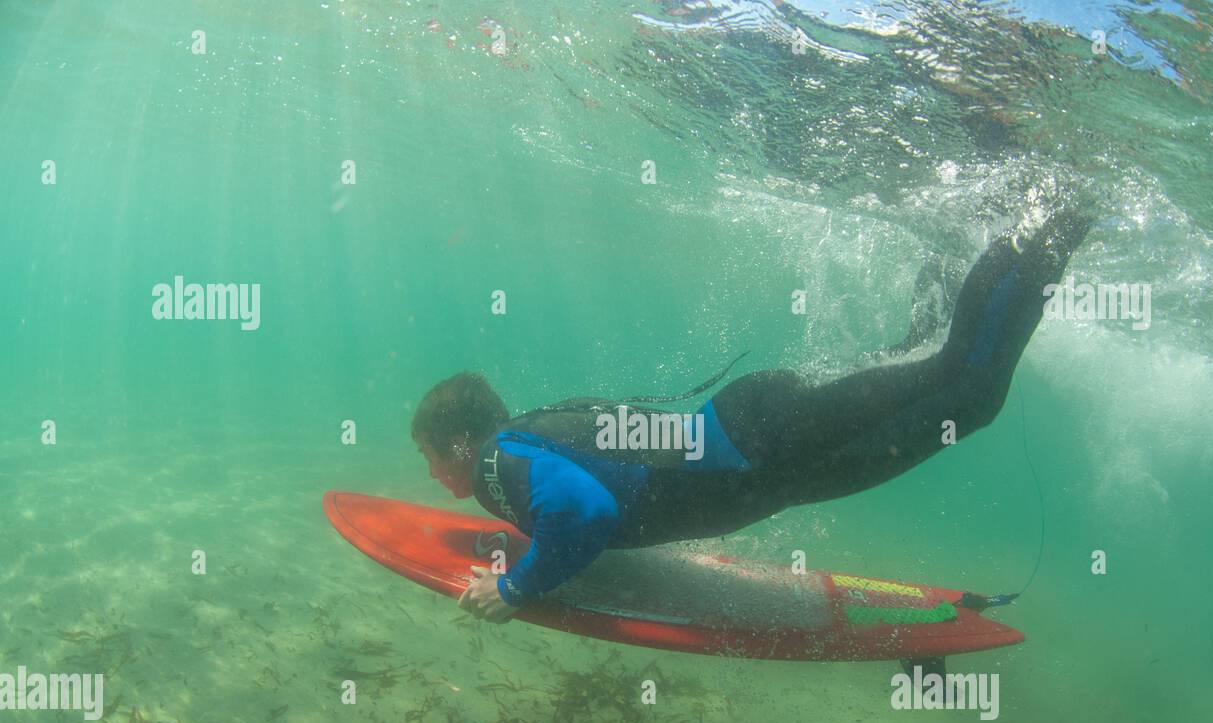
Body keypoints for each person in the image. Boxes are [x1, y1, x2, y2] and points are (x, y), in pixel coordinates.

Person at [411, 204, 1093, 622]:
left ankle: (1041, 223)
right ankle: (961, 255)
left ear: (462, 442)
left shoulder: (499, 462)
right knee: (946, 385)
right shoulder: (522, 437)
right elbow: (600, 495)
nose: (432, 470)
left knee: (963, 385)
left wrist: (518, 587)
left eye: (431, 455)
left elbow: (586, 511)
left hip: (760, 441)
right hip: (770, 454)